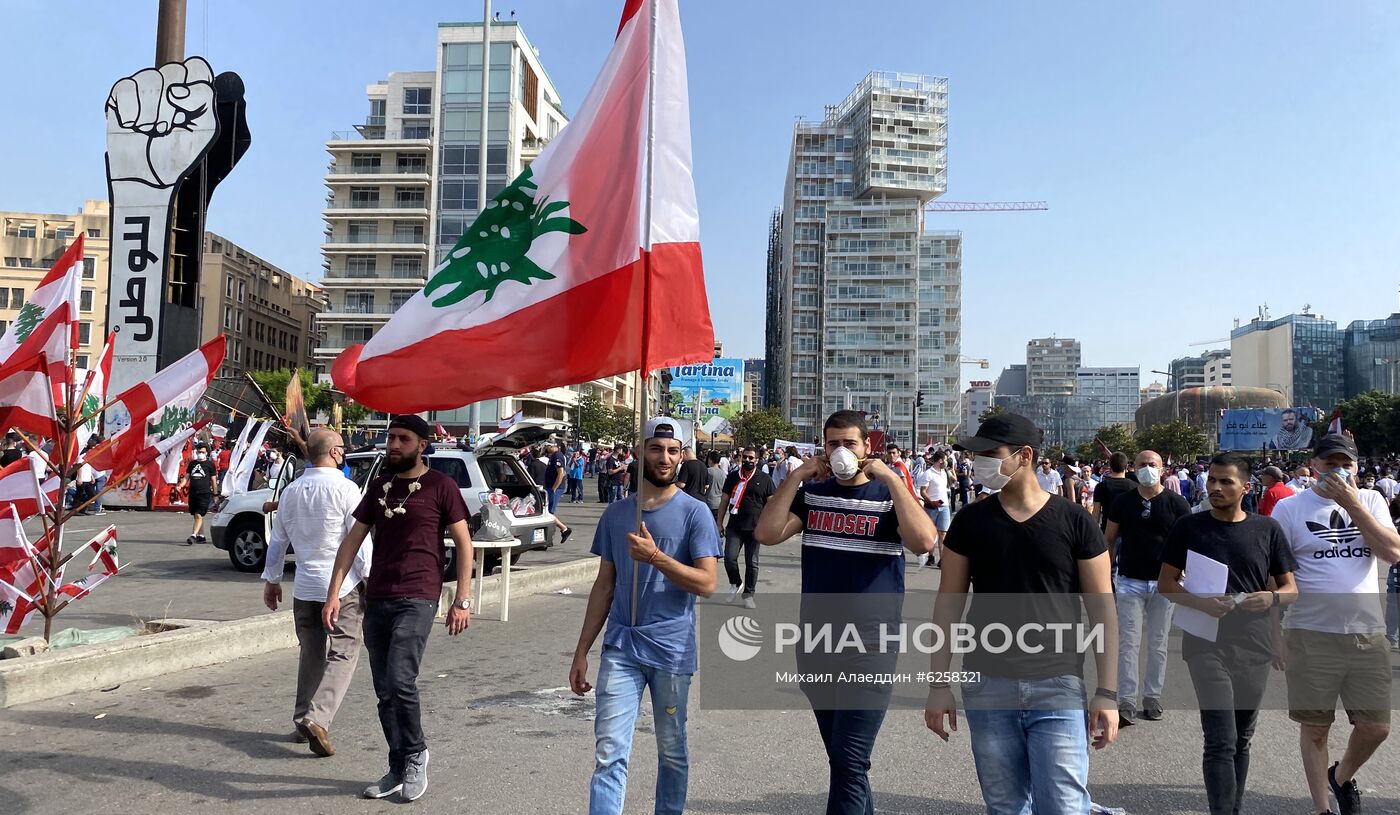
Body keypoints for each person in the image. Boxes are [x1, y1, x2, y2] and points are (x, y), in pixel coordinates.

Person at [925, 412, 1118, 814]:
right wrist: (938, 684)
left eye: (991, 454)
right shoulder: (970, 521)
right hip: (987, 684)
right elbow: (948, 605)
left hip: (1058, 683)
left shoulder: (1075, 521)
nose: (979, 464)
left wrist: (1107, 692)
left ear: (1025, 456)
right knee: (1006, 805)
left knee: (1063, 805)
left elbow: (1102, 609)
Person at [755, 410, 936, 815]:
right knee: (843, 761)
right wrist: (796, 477)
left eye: (849, 443)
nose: (840, 451)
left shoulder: (888, 496)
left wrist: (890, 478)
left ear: (867, 447)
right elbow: (766, 534)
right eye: (832, 443)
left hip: (870, 645)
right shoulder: (811, 493)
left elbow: (924, 542)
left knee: (851, 760)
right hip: (816, 644)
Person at [569, 417, 720, 815]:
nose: (664, 457)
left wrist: (656, 557)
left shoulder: (696, 514)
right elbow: (604, 586)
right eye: (655, 448)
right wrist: (582, 650)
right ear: (640, 453)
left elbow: (707, 583)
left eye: (673, 450)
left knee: (671, 750)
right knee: (609, 751)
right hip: (621, 647)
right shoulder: (617, 514)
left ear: (682, 455)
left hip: (671, 649)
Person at [322, 414, 475, 803]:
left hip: (419, 595)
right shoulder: (379, 487)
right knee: (384, 690)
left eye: (402, 439)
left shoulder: (443, 486)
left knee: (400, 679)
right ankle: (397, 763)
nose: (393, 445)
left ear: (422, 445)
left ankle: (417, 753)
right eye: (390, 438)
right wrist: (334, 592)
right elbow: (351, 541)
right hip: (379, 596)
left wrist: (462, 599)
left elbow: (464, 544)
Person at [1158, 452, 1298, 815]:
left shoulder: (1266, 529)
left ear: (1245, 487)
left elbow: (1290, 589)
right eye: (1212, 481)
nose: (1216, 488)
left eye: (1226, 482)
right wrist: (1202, 604)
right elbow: (1166, 583)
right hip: (1205, 642)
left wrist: (1270, 598)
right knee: (1220, 739)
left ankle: (1232, 808)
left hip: (1254, 645)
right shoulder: (1190, 527)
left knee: (1241, 739)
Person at [1271, 434, 1400, 815]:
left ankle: (1340, 776)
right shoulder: (1290, 509)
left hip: (1366, 633)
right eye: (1330, 464)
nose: (1339, 471)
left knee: (1377, 727)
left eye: (1347, 464)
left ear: (1358, 467)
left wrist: (1353, 504)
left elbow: (1392, 553)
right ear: (1314, 466)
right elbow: (1273, 575)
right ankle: (1322, 808)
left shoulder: (1373, 500)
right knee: (1315, 728)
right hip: (1310, 634)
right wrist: (1273, 631)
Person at [261, 429, 367, 757]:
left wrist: (272, 579)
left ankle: (300, 719)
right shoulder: (347, 489)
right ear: (335, 452)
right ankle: (318, 717)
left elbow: (277, 540)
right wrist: (369, 576)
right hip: (342, 586)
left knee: (311, 652)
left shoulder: (291, 492)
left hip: (305, 586)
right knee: (345, 651)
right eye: (343, 448)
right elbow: (359, 540)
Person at [1105, 449, 1190, 726]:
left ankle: (1152, 696)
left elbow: (1188, 544)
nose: (1147, 468)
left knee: (1158, 642)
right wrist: (1104, 576)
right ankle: (1126, 701)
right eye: (1142, 464)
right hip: (1129, 580)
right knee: (1128, 643)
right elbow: (1109, 540)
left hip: (1164, 584)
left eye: (1152, 464)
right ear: (1133, 467)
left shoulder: (1177, 504)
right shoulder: (1122, 502)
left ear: (1163, 468)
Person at [719, 447, 774, 608]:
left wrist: (768, 525)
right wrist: (718, 523)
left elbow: (771, 504)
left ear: (757, 459)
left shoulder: (764, 479)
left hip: (755, 528)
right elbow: (724, 500)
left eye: (751, 458)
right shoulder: (733, 476)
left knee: (752, 562)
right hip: (734, 526)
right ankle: (735, 583)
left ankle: (748, 595)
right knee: (729, 558)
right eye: (745, 457)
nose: (748, 460)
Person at [915, 450, 952, 569]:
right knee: (931, 533)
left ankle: (943, 560)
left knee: (943, 533)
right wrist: (930, 501)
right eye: (945, 459)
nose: (946, 462)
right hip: (931, 507)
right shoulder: (928, 473)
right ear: (940, 460)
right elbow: (922, 491)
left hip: (944, 506)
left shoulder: (944, 473)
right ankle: (931, 556)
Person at [180, 446, 218, 545]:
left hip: (204, 493)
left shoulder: (210, 465)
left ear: (207, 453)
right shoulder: (192, 464)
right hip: (193, 492)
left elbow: (213, 480)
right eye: (198, 451)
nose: (200, 453)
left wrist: (215, 494)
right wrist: (180, 486)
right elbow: (186, 477)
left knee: (199, 514)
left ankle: (193, 535)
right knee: (196, 515)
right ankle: (201, 536)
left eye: (202, 452)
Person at [1091, 452, 1135, 530]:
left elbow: (1096, 513)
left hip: (1107, 529)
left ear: (1110, 466)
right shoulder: (1134, 486)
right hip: (1128, 531)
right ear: (1126, 466)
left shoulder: (1101, 486)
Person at [702, 451, 726, 522]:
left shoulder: (707, 471)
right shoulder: (723, 473)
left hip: (708, 502)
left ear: (710, 459)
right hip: (719, 503)